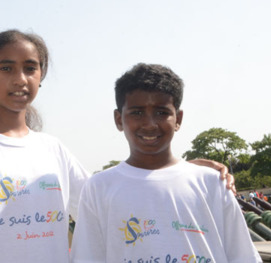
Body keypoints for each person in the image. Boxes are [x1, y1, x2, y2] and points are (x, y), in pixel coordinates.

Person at [0, 30, 238, 263]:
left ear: (40, 77)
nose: (20, 78)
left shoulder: (52, 149)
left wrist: (182, 170)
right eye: (6, 68)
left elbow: (113, 196)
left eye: (30, 68)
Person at [70, 63, 261, 262]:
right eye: (137, 112)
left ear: (178, 119)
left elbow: (243, 256)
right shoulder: (99, 188)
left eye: (162, 112)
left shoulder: (212, 183)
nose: (150, 124)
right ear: (119, 120)